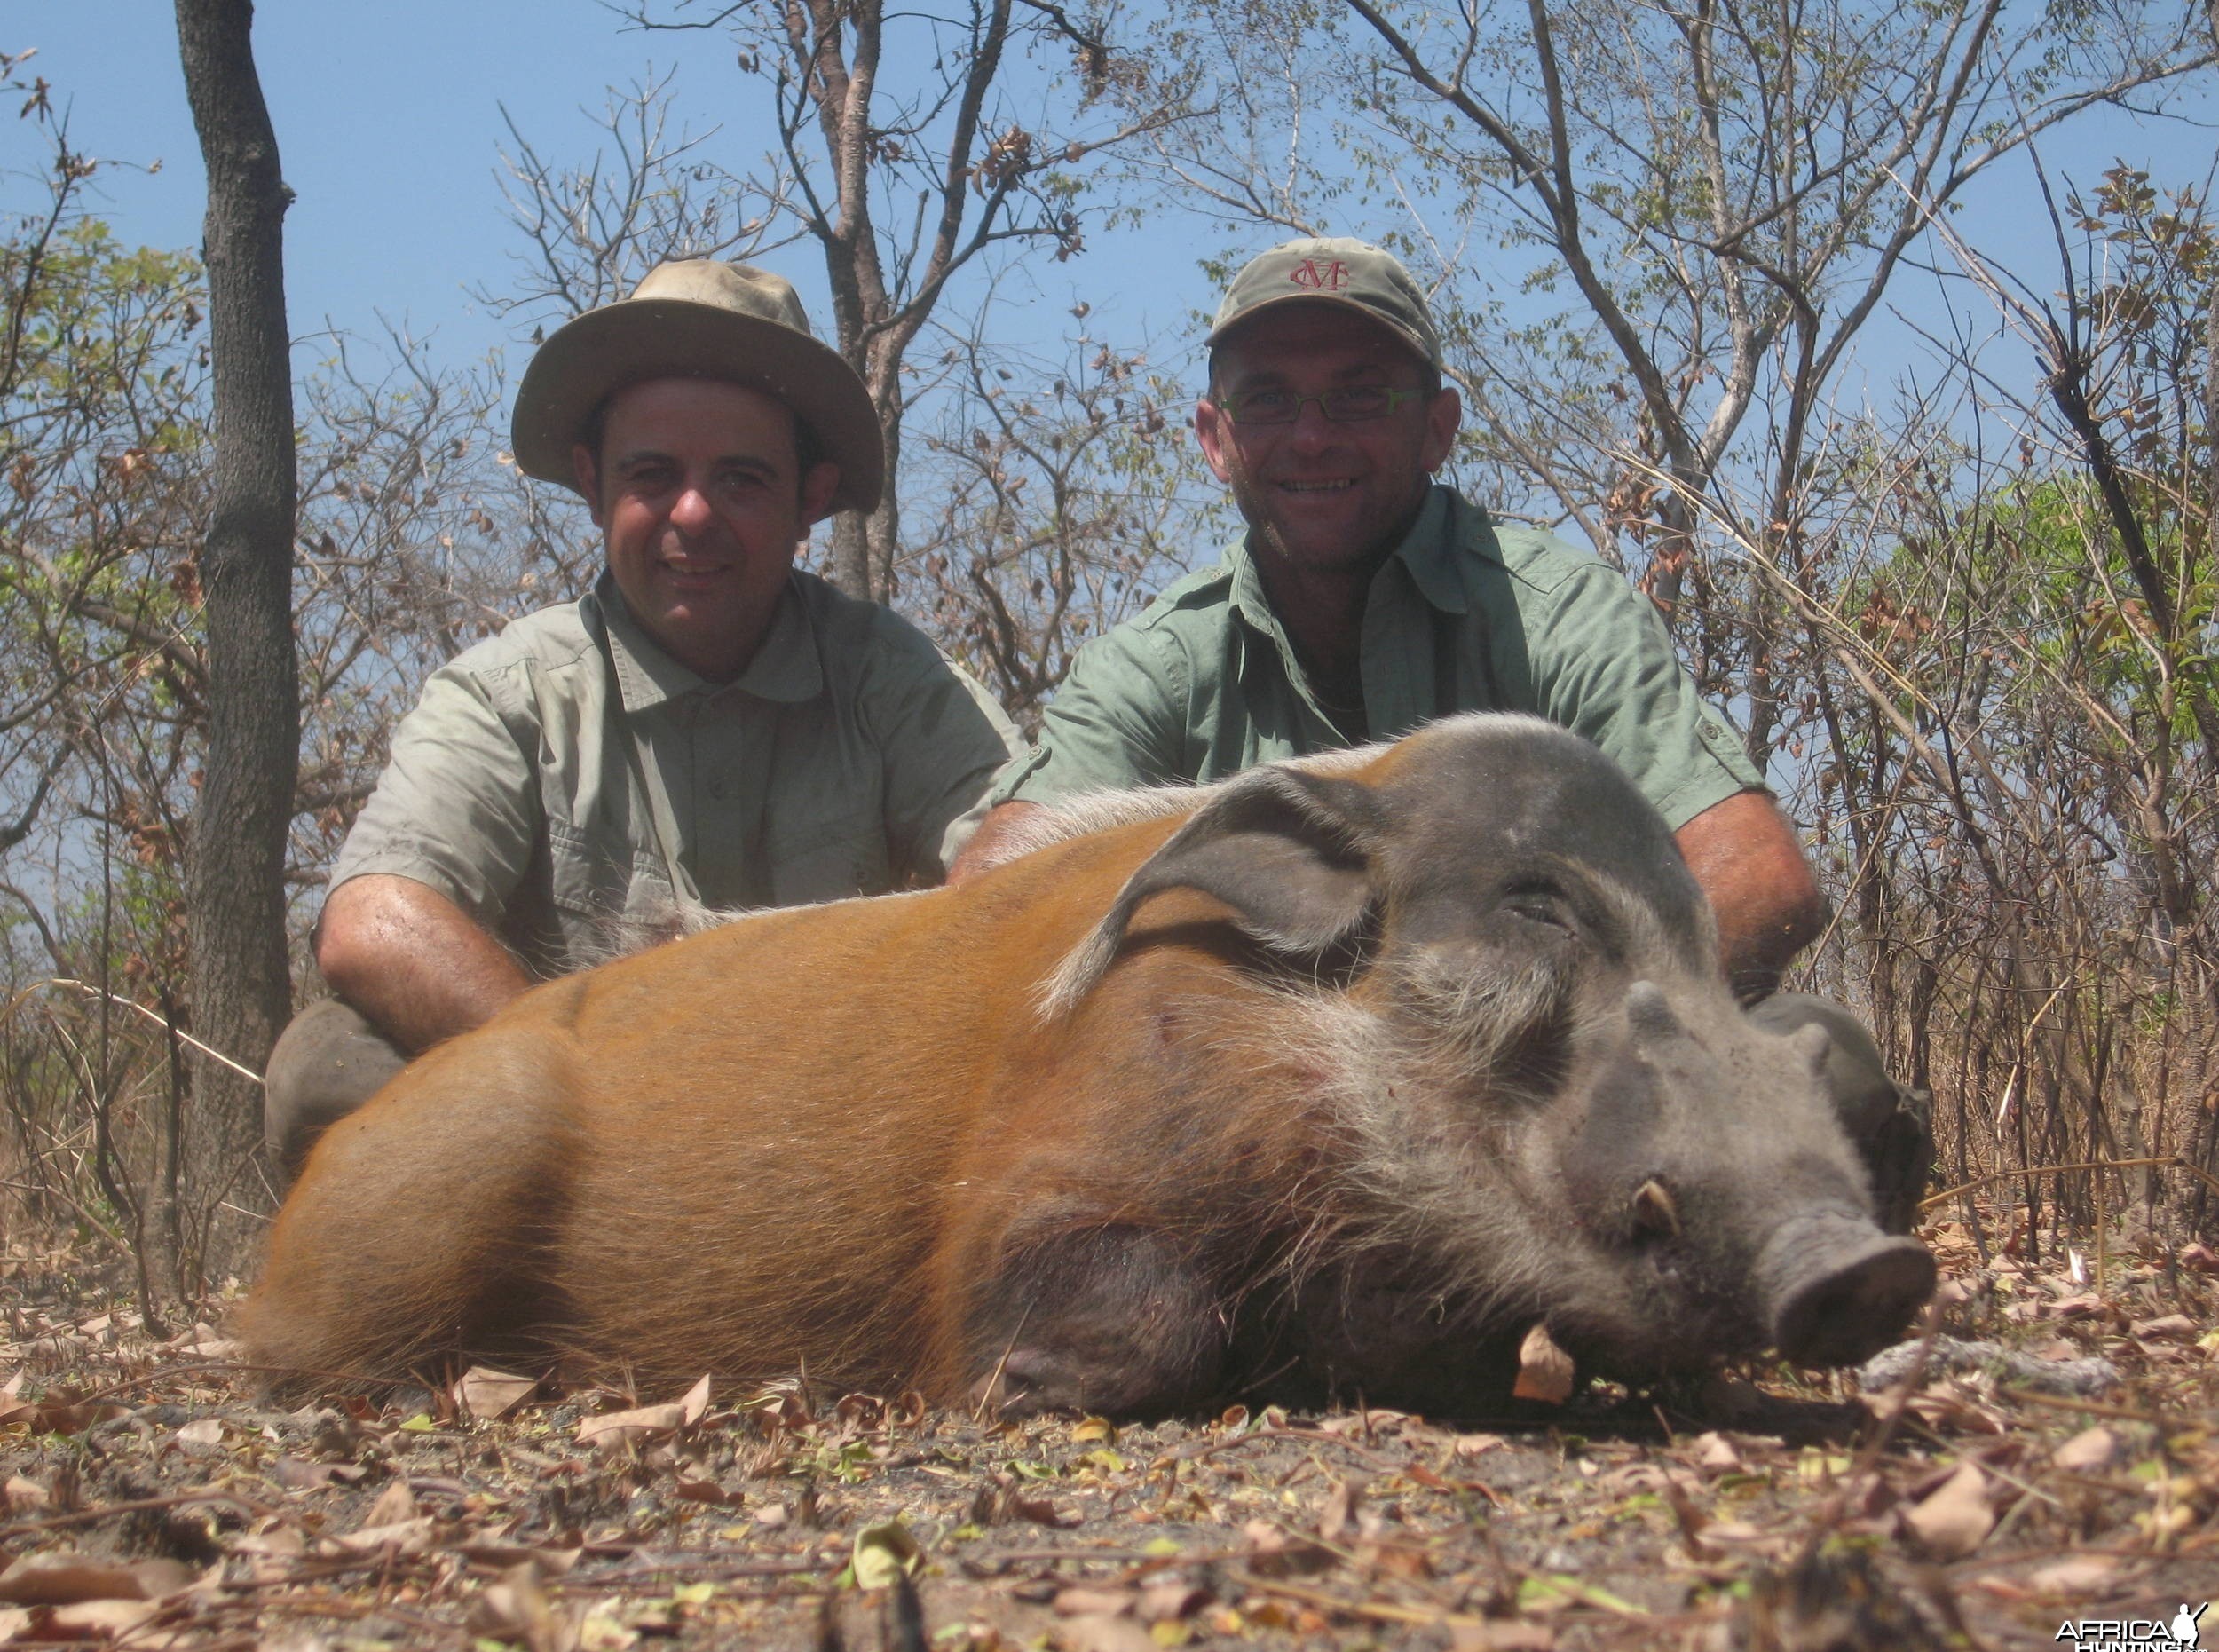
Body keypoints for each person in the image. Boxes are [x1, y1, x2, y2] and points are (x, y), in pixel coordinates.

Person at [952, 235, 1930, 1229]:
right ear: (1214, 438)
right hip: (1262, 1137)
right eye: (1269, 400)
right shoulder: (1157, 663)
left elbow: (1758, 876)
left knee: (1824, 1066)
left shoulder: (1553, 614)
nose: (1312, 437)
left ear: (1437, 429)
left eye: (1360, 395)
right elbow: (987, 896)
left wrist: (1536, 1063)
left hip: (1554, 1104)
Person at [264, 259, 1016, 1175]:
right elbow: (373, 918)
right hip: (586, 1161)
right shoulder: (509, 692)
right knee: (327, 1069)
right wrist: (596, 1087)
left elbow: (1026, 861)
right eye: (652, 474)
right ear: (591, 484)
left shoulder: (891, 676)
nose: (692, 514)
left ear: (809, 500)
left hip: (839, 1150)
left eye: (741, 480)